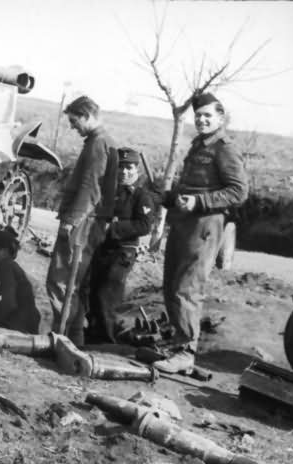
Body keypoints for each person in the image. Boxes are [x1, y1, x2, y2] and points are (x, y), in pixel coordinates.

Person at [154, 92, 248, 373]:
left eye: (208, 115)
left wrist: (200, 202)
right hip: (184, 223)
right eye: (198, 116)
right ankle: (177, 344)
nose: (202, 120)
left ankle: (186, 352)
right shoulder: (198, 146)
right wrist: (171, 197)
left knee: (188, 287)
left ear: (221, 118)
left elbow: (238, 191)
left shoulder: (225, 149)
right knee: (171, 284)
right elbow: (194, 187)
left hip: (205, 226)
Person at [46, 95, 118, 346]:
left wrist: (72, 219)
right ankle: (71, 335)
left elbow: (91, 187)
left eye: (75, 121)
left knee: (61, 280)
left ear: (87, 116)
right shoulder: (101, 141)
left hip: (82, 221)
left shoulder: (98, 144)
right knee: (74, 283)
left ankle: (62, 335)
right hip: (90, 221)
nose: (72, 127)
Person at [86, 148, 155, 344]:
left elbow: (144, 225)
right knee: (92, 290)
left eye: (129, 167)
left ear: (136, 170)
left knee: (107, 295)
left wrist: (113, 228)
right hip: (102, 249)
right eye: (121, 167)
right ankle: (92, 334)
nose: (124, 172)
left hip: (123, 252)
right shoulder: (109, 192)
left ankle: (107, 341)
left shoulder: (141, 196)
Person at [0, 227, 41, 334]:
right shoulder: (8, 267)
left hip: (19, 326)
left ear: (4, 252)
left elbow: (6, 303)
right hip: (22, 321)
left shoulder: (6, 268)